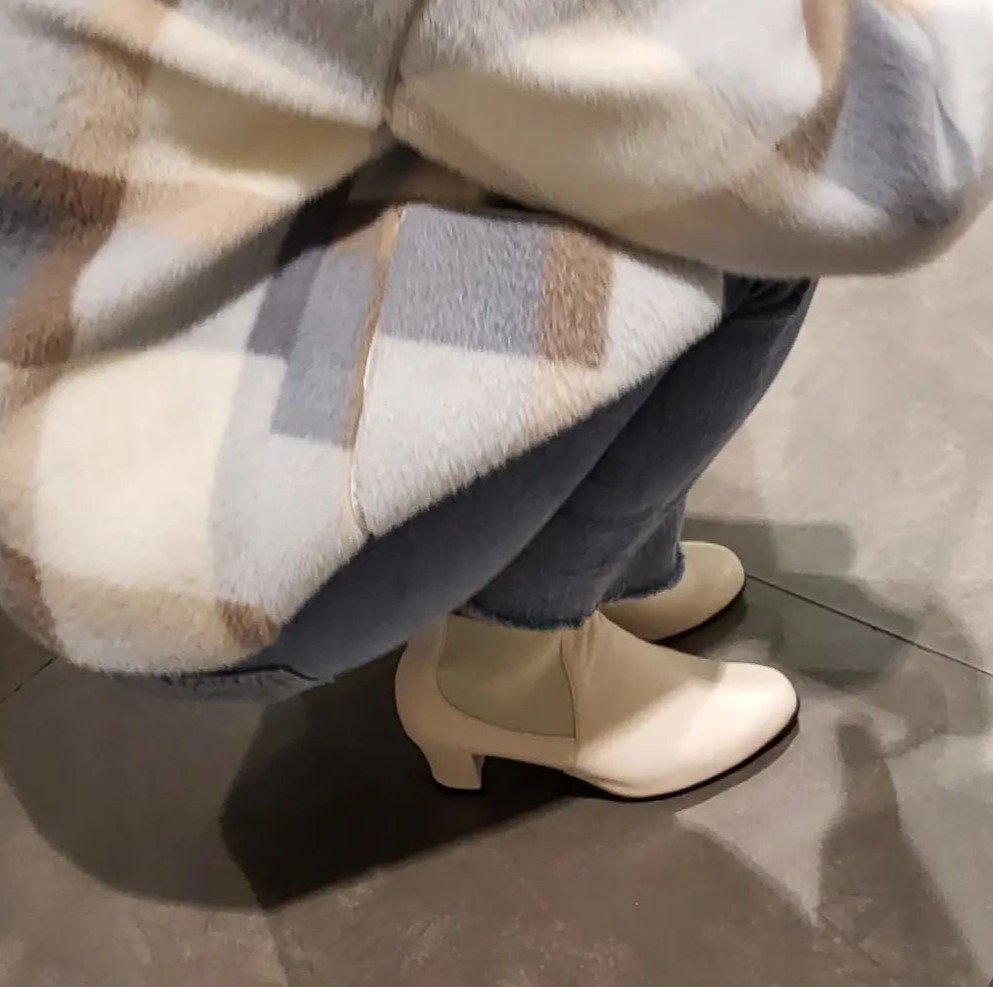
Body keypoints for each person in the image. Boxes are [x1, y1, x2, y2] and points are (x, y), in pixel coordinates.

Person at [2, 1, 992, 800]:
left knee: (595, 130)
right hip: (163, 546)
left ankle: (609, 572)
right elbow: (898, 154)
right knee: (735, 199)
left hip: (86, 374)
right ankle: (510, 670)